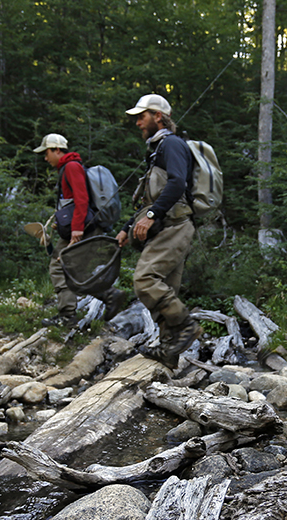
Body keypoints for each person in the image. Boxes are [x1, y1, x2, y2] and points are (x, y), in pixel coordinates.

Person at [116, 94, 202, 368]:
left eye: (142, 116)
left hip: (175, 226)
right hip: (171, 225)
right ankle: (168, 355)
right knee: (168, 290)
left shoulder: (172, 144)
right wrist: (127, 227)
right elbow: (149, 198)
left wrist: (152, 215)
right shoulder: (156, 149)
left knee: (145, 280)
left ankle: (187, 326)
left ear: (158, 116)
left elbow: (176, 184)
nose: (138, 122)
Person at [32, 133, 125, 327]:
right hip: (83, 226)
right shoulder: (70, 167)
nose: (45, 157)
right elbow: (73, 203)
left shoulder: (72, 167)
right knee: (73, 271)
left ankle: (70, 315)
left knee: (60, 267)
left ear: (57, 150)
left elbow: (82, 199)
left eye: (47, 152)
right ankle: (106, 297)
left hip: (83, 228)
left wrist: (76, 230)